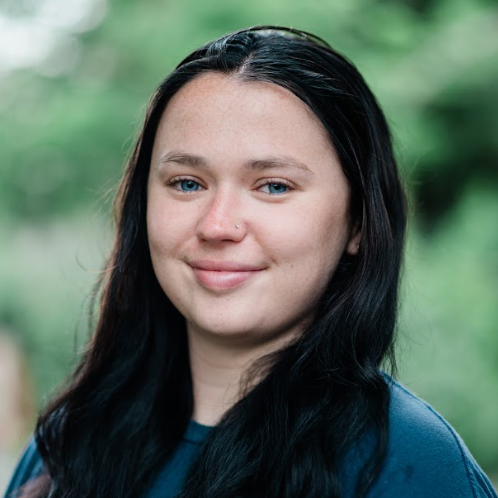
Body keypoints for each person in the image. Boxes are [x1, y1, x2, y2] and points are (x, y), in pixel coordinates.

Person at [3, 26, 496, 498]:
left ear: (358, 223)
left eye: (274, 186)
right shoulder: (68, 443)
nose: (217, 225)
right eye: (187, 183)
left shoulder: (412, 467)